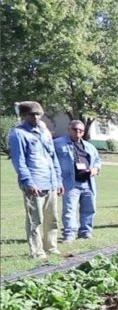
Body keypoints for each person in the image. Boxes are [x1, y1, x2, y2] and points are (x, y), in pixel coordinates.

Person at [8, 101, 64, 259]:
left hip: (51, 181)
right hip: (34, 181)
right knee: (35, 219)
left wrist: (58, 180)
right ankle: (37, 251)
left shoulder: (45, 132)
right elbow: (19, 161)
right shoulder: (18, 134)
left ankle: (51, 247)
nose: (36, 117)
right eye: (32, 114)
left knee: (52, 218)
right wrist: (28, 182)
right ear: (24, 115)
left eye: (39, 114)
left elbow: (53, 158)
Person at [54, 120, 102, 241]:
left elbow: (97, 160)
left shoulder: (89, 146)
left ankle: (86, 232)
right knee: (70, 209)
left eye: (80, 130)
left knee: (89, 208)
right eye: (75, 129)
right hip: (70, 182)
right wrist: (57, 182)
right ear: (69, 129)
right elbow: (51, 162)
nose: (78, 132)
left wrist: (95, 169)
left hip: (88, 183)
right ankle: (69, 234)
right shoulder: (58, 144)